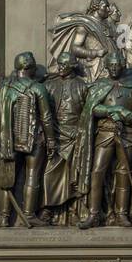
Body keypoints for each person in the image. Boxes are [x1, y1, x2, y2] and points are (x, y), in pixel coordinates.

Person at [73, 50, 132, 228]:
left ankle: (122, 214)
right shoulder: (99, 86)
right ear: (106, 66)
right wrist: (111, 111)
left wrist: (126, 115)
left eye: (117, 65)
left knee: (123, 173)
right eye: (111, 65)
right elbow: (93, 108)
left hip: (126, 134)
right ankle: (94, 214)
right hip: (104, 133)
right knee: (97, 171)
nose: (114, 68)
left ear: (122, 65)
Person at [0, 52, 57, 226]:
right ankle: (29, 215)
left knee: (7, 176)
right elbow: (46, 118)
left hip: (8, 141)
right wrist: (52, 140)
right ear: (29, 68)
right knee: (33, 176)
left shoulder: (4, 90)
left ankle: (3, 217)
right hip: (35, 140)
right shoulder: (38, 89)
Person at [41, 50, 87, 225]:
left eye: (64, 65)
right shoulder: (49, 85)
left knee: (75, 174)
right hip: (56, 133)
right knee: (48, 173)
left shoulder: (82, 86)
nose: (60, 67)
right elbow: (44, 113)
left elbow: (86, 113)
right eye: (59, 64)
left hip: (75, 135)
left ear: (73, 66)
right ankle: (47, 207)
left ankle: (74, 209)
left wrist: (80, 130)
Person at [49, 0, 120, 84]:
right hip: (96, 69)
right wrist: (95, 53)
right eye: (105, 6)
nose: (109, 9)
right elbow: (75, 48)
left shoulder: (107, 25)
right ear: (96, 8)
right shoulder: (85, 25)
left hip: (112, 68)